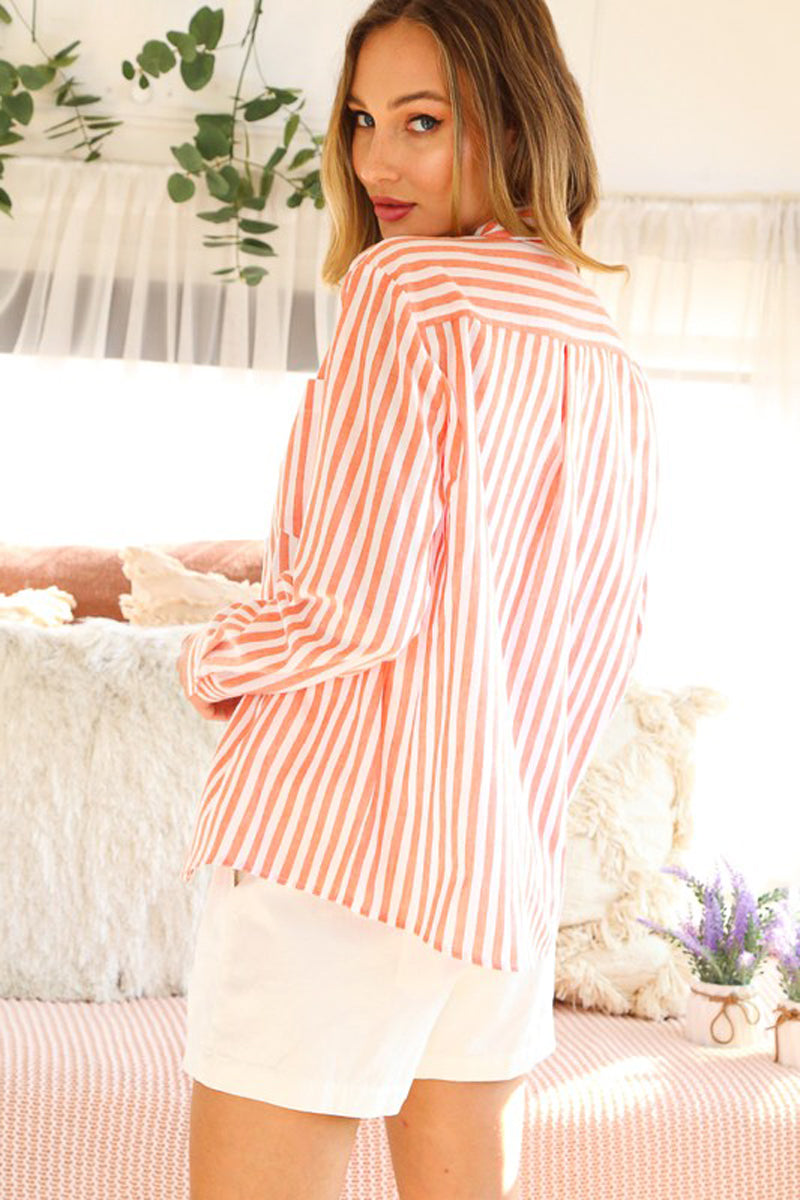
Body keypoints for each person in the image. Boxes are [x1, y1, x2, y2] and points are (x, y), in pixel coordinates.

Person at [177, 1, 659, 1197]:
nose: (376, 162)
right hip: (493, 876)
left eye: (422, 122)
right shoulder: (605, 350)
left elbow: (352, 608)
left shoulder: (405, 293)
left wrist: (206, 658)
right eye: (358, 121)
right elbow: (594, 640)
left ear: (510, 120)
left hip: (330, 856)